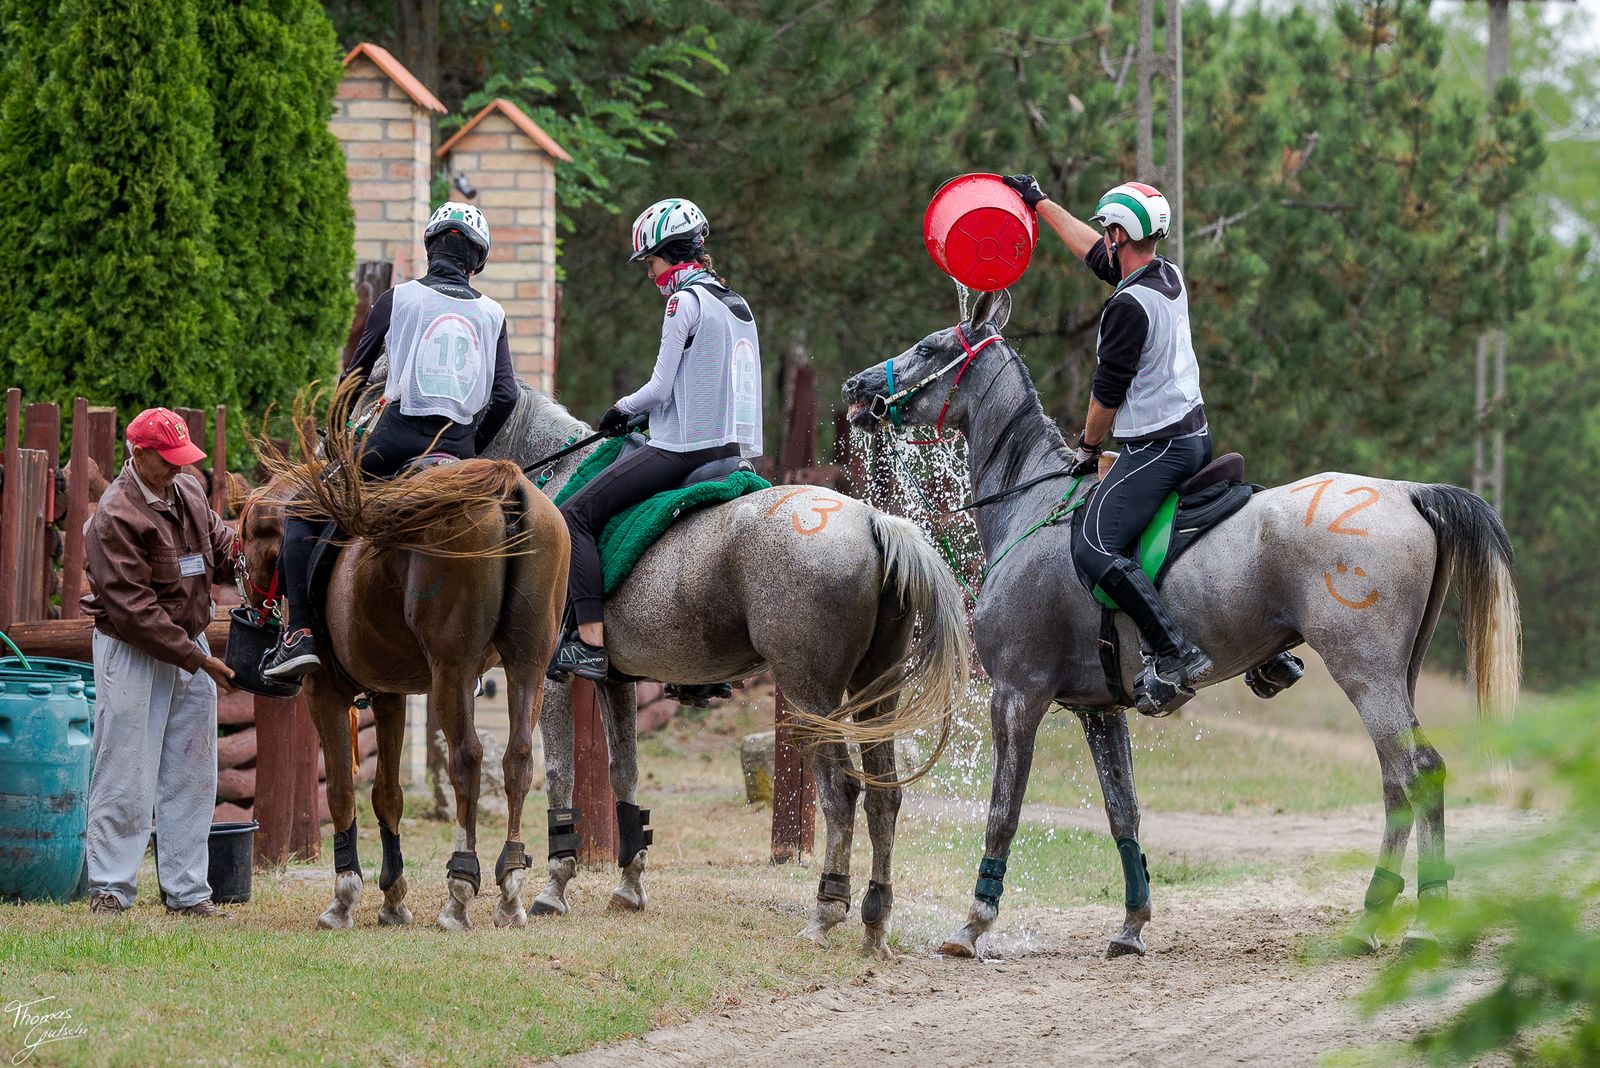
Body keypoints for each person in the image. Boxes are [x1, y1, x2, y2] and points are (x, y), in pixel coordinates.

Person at [261, 202, 518, 680]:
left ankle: (299, 633)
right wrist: (471, 448)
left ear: (429, 248)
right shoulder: (493, 313)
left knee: (305, 513)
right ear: (477, 262)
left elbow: (355, 376)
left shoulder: (397, 299)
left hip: (394, 441)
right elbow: (505, 394)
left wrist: (337, 437)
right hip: (457, 451)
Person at [1004, 174, 1213, 714]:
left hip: (1159, 449)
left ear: (1120, 234)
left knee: (1095, 548)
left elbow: (1106, 396)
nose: (1104, 239)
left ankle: (1173, 652)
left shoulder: (1126, 308)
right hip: (1192, 437)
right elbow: (1092, 253)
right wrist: (1038, 202)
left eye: (1109, 231)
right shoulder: (1164, 274)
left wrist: (1085, 446)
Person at [548, 197, 763, 681]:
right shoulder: (736, 303)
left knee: (573, 516)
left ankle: (588, 644)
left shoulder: (681, 301)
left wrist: (621, 409)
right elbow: (707, 384)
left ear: (669, 254)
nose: (649, 273)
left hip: (682, 450)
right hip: (732, 450)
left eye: (650, 261)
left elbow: (659, 387)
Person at [82, 407, 239, 917]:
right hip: (133, 651)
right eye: (167, 460)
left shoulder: (188, 490)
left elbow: (220, 544)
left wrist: (260, 541)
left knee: (194, 772)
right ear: (138, 454)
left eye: (182, 458)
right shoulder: (113, 516)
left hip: (189, 648)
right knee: (125, 767)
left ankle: (188, 891)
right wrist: (198, 658)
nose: (178, 468)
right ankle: (110, 887)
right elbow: (134, 611)